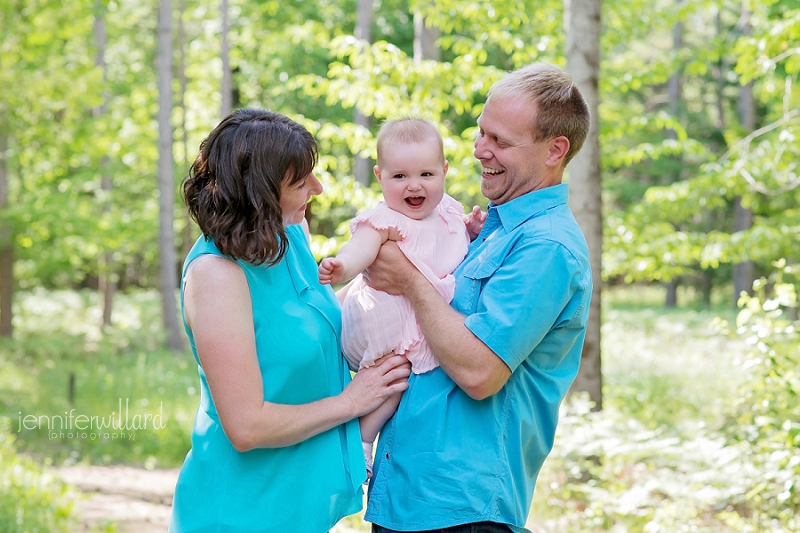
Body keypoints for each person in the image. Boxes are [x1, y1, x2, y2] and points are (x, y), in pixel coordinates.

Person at [362, 63, 593, 533]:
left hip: (463, 510)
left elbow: (479, 371)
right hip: (410, 496)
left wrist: (408, 279)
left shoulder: (546, 247)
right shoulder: (490, 230)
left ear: (555, 150)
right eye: (481, 132)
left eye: (501, 142)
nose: (479, 150)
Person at [168, 108, 411, 533]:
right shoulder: (216, 276)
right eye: (300, 183)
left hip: (297, 507)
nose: (316, 189)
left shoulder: (287, 237)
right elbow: (246, 426)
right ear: (258, 193)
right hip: (238, 512)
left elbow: (309, 321)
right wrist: (352, 402)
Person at [317, 118, 484, 477]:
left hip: (418, 314)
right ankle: (363, 439)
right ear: (379, 177)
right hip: (382, 317)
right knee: (395, 376)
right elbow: (361, 247)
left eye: (426, 174)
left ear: (444, 171)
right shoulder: (385, 219)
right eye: (400, 177)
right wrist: (342, 267)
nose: (414, 185)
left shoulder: (450, 214)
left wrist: (471, 231)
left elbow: (454, 250)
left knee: (400, 375)